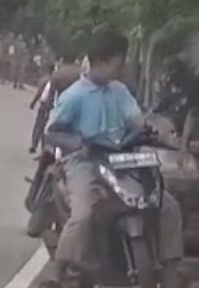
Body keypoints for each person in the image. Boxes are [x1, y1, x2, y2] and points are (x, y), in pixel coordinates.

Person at [41, 29, 184, 287]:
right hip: (84, 162)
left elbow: (136, 121)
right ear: (103, 62)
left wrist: (151, 131)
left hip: (124, 159)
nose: (123, 68)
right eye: (119, 63)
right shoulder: (74, 97)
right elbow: (51, 133)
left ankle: (171, 267)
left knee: (168, 205)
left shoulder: (119, 91)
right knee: (83, 213)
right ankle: (60, 271)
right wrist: (79, 142)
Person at [28, 56, 82, 154]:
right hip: (73, 108)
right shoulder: (79, 73)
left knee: (45, 128)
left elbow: (50, 94)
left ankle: (43, 149)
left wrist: (48, 108)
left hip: (56, 107)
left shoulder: (58, 74)